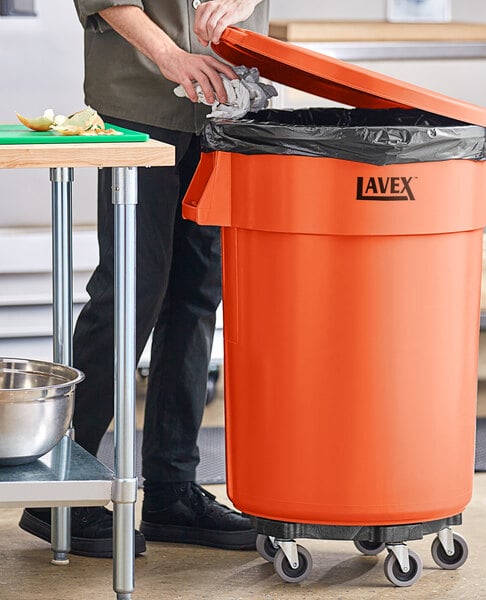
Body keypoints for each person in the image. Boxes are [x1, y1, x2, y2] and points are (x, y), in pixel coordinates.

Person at [19, 0, 270, 558]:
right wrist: (169, 55)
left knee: (199, 292)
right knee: (132, 288)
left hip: (227, 99)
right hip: (141, 94)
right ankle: (63, 486)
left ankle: (170, 489)